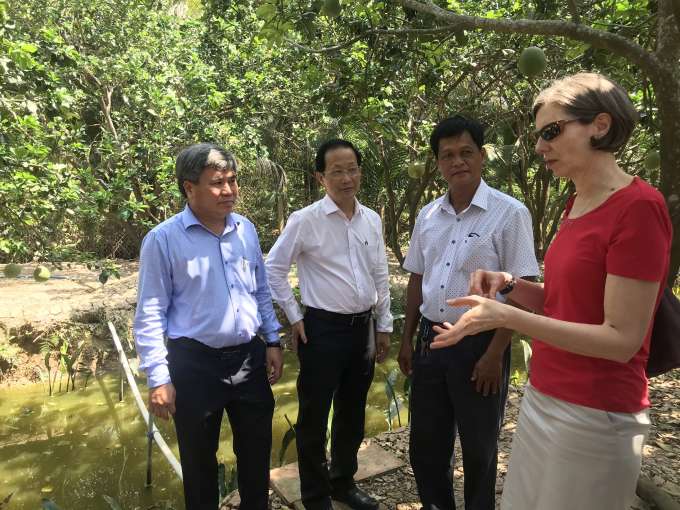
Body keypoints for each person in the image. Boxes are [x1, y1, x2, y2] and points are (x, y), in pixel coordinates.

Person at [430, 73, 672, 510]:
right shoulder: (576, 202)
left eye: (551, 132)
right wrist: (509, 284)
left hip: (596, 411)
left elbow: (622, 340)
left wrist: (506, 316)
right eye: (539, 136)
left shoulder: (639, 207)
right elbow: (565, 307)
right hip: (545, 393)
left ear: (599, 125)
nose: (540, 147)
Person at [398, 116, 540, 510]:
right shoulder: (428, 216)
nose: (457, 161)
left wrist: (495, 353)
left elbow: (522, 289)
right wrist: (408, 339)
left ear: (481, 155)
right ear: (438, 163)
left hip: (480, 344)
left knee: (480, 445)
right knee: (427, 441)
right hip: (430, 340)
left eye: (465, 152)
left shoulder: (510, 213)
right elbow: (416, 280)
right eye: (447, 155)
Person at [133, 143, 284, 510]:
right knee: (199, 464)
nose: (229, 191)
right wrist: (158, 377)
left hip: (249, 361)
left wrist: (273, 339)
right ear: (188, 188)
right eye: (218, 183)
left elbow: (260, 289)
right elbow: (150, 312)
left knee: (256, 453)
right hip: (194, 366)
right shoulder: (163, 240)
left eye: (233, 181)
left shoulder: (245, 229)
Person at [265, 139, 392, 510]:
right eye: (336, 171)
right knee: (314, 416)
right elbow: (273, 268)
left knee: (352, 412)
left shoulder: (371, 219)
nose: (346, 178)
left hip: (363, 329)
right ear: (322, 176)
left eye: (352, 168)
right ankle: (316, 496)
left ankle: (342, 483)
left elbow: (380, 274)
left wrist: (383, 325)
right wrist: (295, 315)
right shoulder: (305, 220)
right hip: (321, 329)